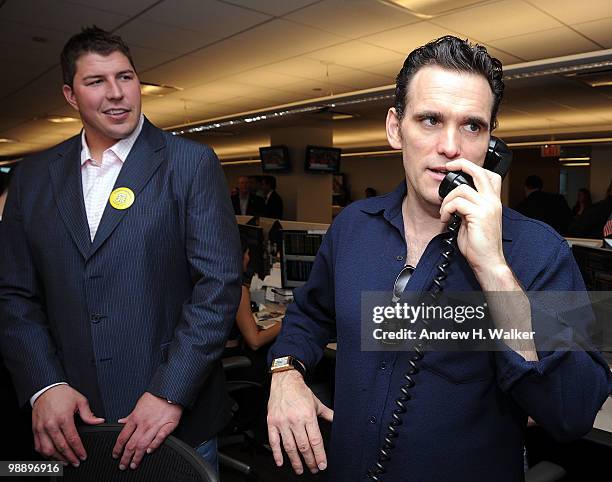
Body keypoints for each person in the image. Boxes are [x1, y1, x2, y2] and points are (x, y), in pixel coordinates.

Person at [266, 36, 611, 481]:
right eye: (430, 119)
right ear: (395, 128)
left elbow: (575, 409)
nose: (451, 146)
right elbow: (308, 317)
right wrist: (285, 373)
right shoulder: (353, 227)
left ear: (492, 143)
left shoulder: (537, 250)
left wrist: (493, 270)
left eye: (472, 126)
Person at [0, 27, 242, 473]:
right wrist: (44, 384)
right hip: (72, 424)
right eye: (96, 82)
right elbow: (14, 295)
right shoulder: (31, 177)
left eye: (125, 77)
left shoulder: (189, 164)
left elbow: (218, 288)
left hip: (172, 421)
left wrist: (171, 390)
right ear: (71, 96)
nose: (116, 94)